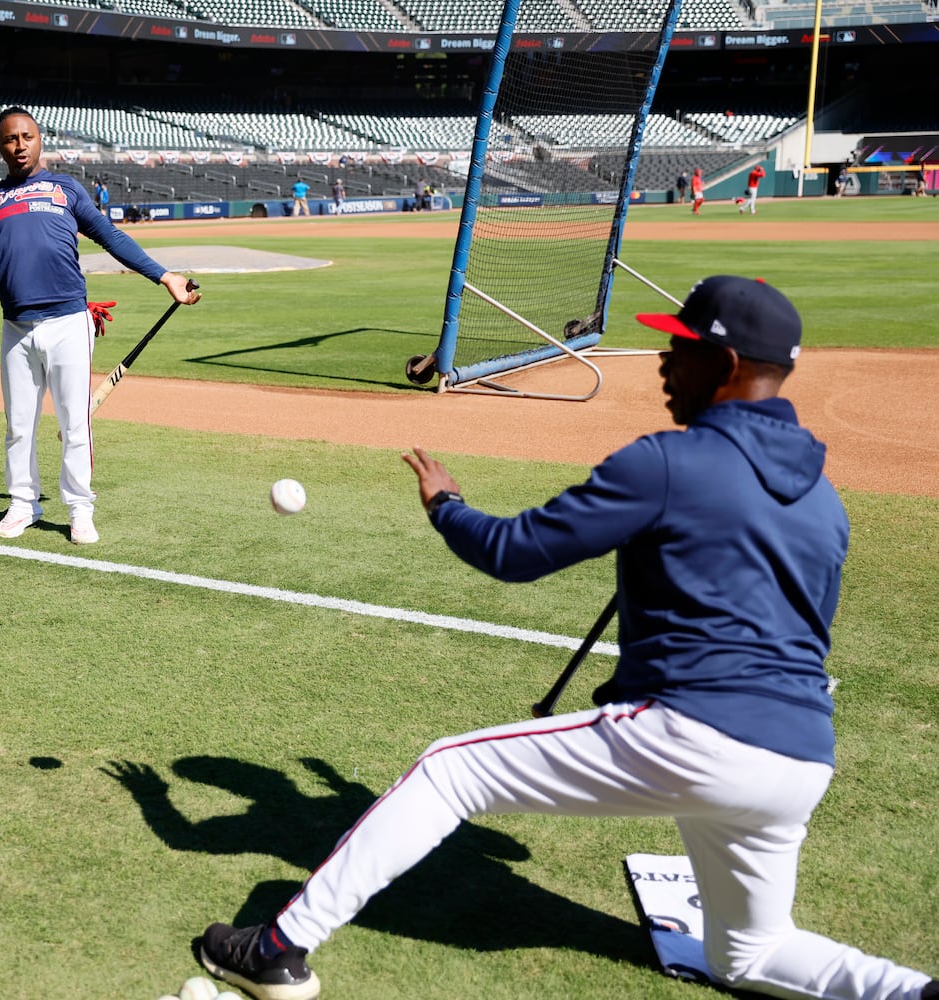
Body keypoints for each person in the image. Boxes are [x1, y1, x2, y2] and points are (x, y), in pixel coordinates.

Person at [194, 275, 939, 1000]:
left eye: (679, 348)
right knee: (750, 954)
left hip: (697, 735)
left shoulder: (668, 462)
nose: (662, 361)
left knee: (448, 771)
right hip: (800, 760)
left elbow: (513, 553)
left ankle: (275, 951)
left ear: (728, 366)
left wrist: (447, 505)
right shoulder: (824, 496)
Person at [0, 107, 200, 546]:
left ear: (40, 140)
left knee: (75, 424)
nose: (19, 145)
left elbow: (111, 237)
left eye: (27, 136)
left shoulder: (65, 189)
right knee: (19, 425)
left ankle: (80, 509)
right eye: (10, 139)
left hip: (68, 322)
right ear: (0, 147)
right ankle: (22, 504)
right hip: (16, 328)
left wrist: (164, 275)